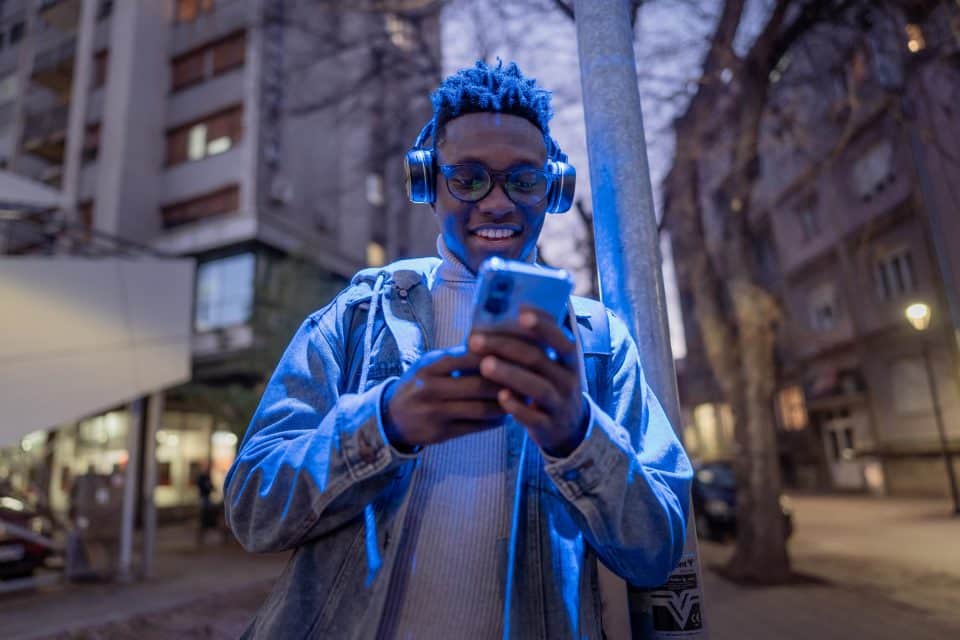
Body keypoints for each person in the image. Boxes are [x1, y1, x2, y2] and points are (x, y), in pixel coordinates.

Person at [224, 60, 692, 639]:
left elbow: (659, 551)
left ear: (554, 189)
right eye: (468, 178)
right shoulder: (356, 316)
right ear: (427, 183)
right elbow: (252, 510)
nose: (496, 203)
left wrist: (579, 436)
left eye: (523, 179)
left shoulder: (598, 345)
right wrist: (385, 424)